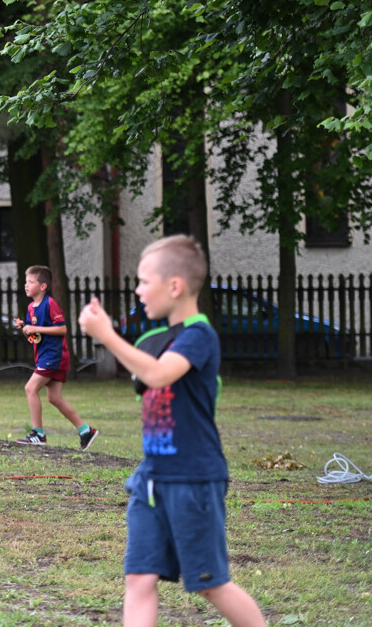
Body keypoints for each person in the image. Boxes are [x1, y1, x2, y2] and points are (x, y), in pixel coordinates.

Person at [78, 235, 266, 627]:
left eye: (145, 281)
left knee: (210, 584)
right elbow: (144, 372)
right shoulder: (155, 339)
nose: (137, 289)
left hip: (194, 479)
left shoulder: (199, 336)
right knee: (138, 577)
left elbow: (160, 374)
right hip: (151, 481)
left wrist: (107, 336)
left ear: (175, 286)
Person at [13, 265, 98, 449]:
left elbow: (62, 329)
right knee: (54, 398)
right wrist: (26, 329)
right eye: (25, 282)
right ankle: (86, 431)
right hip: (45, 356)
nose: (26, 285)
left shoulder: (50, 304)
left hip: (54, 356)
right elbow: (36, 337)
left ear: (43, 286)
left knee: (30, 388)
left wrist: (35, 328)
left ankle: (38, 434)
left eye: (30, 282)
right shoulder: (30, 307)